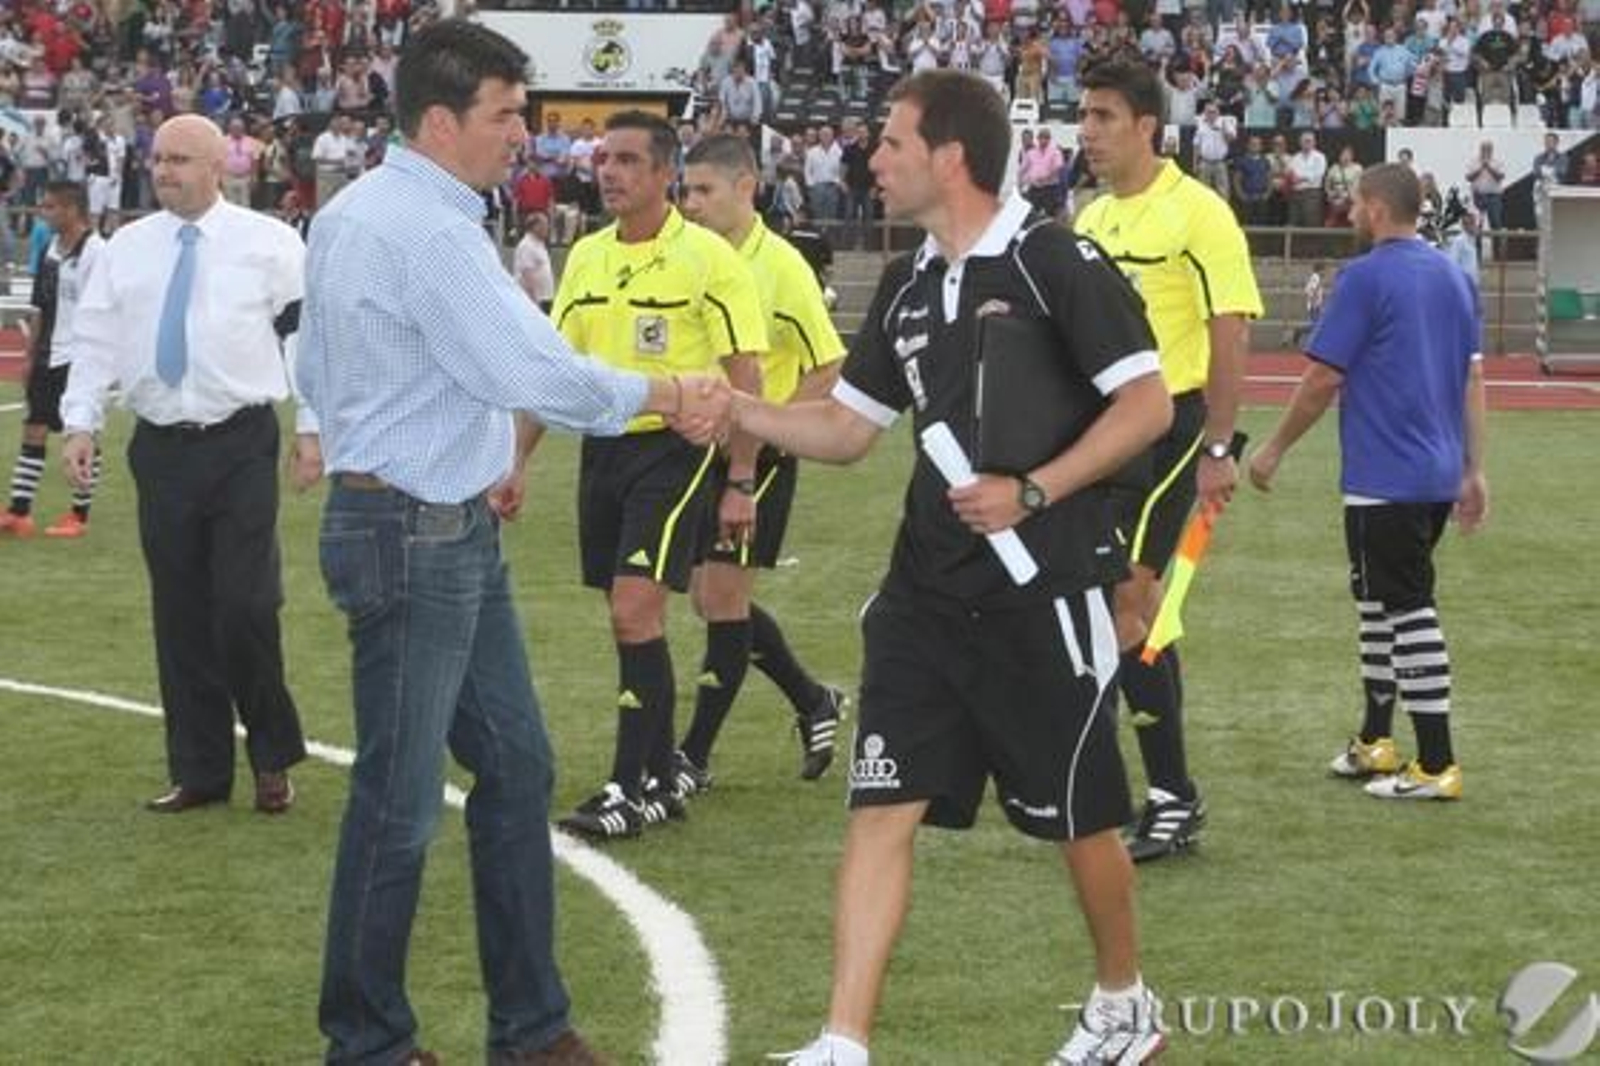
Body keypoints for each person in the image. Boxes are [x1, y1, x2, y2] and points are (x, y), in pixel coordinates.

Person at [294, 20, 728, 1065]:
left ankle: (529, 1029)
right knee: (398, 805)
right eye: (505, 114)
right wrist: (668, 391)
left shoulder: (357, 211)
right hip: (417, 533)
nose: (522, 135)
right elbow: (536, 371)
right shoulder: (430, 231)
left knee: (516, 765)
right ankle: (369, 1042)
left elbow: (317, 359)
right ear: (441, 121)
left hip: (426, 524)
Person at [737, 70, 1173, 1066]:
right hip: (922, 599)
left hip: (1044, 591)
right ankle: (843, 1042)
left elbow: (1145, 407)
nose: (872, 159)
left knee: (1081, 819)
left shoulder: (1054, 261)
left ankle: (1124, 1004)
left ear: (948, 157)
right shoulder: (904, 284)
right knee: (880, 804)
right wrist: (738, 413)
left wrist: (1035, 490)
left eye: (889, 143)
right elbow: (848, 430)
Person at [57, 115, 308, 815]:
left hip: (240, 442)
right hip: (161, 448)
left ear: (219, 166)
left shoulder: (271, 244)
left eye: (179, 159)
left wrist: (312, 428)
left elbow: (305, 340)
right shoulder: (125, 250)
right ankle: (200, 771)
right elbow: (96, 339)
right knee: (181, 614)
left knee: (245, 605)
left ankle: (272, 754)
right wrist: (81, 423)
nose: (163, 170)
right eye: (158, 158)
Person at [548, 110, 767, 840]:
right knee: (633, 619)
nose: (609, 171)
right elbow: (557, 369)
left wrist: (740, 480)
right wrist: (512, 460)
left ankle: (626, 786)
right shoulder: (584, 257)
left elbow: (745, 376)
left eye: (628, 160)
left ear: (664, 173)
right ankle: (662, 780)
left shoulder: (709, 260)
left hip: (678, 451)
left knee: (633, 611)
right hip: (604, 451)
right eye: (604, 158)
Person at [1247, 163, 1486, 802]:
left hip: (1386, 474)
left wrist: (1272, 448)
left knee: (1407, 608)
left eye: (1355, 202)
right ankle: (1376, 738)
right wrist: (1473, 468)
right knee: (1380, 604)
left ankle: (1437, 762)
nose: (1349, 212)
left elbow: (1323, 378)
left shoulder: (1365, 278)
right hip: (1434, 472)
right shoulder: (1455, 278)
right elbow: (1471, 380)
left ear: (1377, 207)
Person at [1074, 58, 1264, 864]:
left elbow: (1231, 331)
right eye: (1083, 117)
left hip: (1173, 424)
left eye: (1104, 118)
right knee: (1113, 609)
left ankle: (1171, 796)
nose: (1087, 133)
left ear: (1147, 126)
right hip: (1104, 428)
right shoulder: (1089, 222)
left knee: (1130, 600)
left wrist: (1219, 446)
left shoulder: (1200, 213)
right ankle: (1136, 789)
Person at [674, 133, 849, 792]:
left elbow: (829, 366)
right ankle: (813, 700)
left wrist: (772, 435)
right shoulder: (688, 257)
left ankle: (691, 756)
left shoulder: (779, 266)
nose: (690, 204)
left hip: (757, 456)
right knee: (708, 597)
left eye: (704, 191)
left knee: (722, 599)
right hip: (699, 451)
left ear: (747, 188)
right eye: (686, 191)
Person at [0, 181, 105, 539]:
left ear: (71, 209)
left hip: (78, 357)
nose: (44, 213)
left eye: (50, 207)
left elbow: (104, 310)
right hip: (48, 354)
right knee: (34, 428)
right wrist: (30, 356)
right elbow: (40, 306)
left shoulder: (95, 251)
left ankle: (80, 514)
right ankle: (19, 512)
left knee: (80, 433)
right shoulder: (49, 249)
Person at [513, 209, 555, 312]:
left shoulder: (540, 244)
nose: (548, 228)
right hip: (534, 301)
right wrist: (534, 302)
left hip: (545, 298)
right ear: (535, 227)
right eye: (545, 225)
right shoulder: (526, 245)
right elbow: (527, 275)